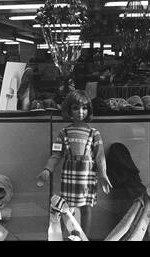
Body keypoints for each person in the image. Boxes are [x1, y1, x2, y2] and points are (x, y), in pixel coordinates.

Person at [36, 89, 112, 239]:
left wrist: (103, 174)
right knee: (68, 209)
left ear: (89, 110)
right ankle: (72, 235)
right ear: (69, 109)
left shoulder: (94, 133)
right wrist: (47, 169)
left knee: (86, 208)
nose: (80, 112)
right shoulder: (63, 133)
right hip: (69, 176)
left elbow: (100, 156)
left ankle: (85, 237)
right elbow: (56, 154)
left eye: (84, 108)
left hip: (87, 177)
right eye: (76, 108)